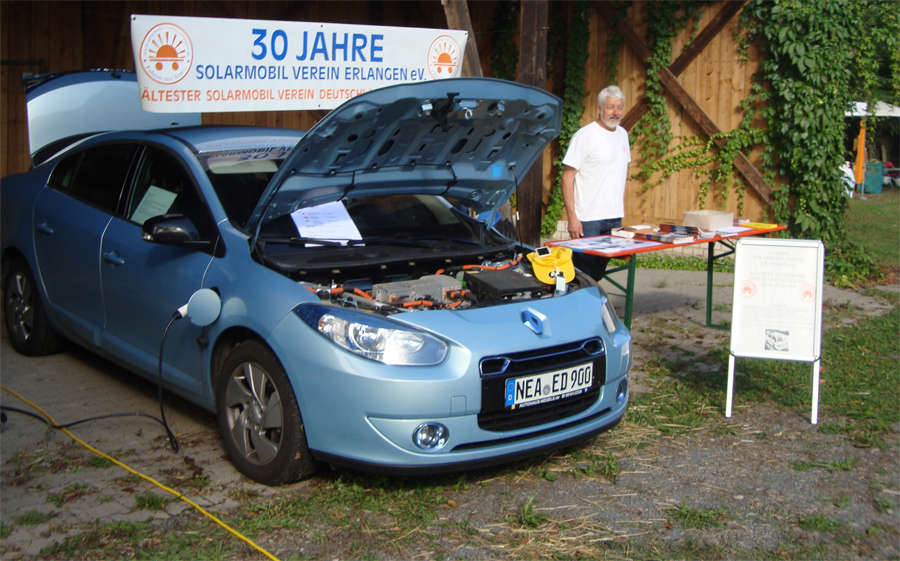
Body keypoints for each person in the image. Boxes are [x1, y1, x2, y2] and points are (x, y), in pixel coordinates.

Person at [561, 85, 631, 280]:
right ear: (599, 109)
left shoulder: (623, 135)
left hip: (614, 217)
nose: (615, 112)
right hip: (588, 219)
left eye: (619, 107)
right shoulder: (585, 136)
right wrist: (572, 217)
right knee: (583, 274)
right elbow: (567, 178)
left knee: (599, 272)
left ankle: (595, 306)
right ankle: (576, 308)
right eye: (610, 107)